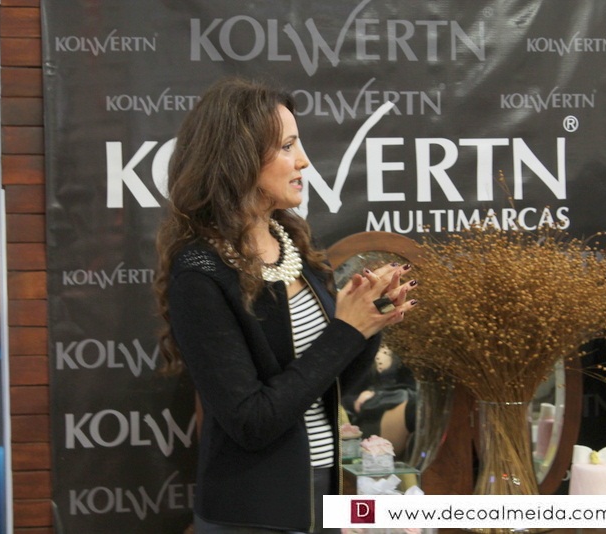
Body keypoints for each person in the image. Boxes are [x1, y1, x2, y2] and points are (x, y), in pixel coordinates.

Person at [154, 77, 418, 533]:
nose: (304, 161)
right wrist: (345, 332)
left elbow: (330, 385)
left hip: (323, 495)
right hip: (255, 516)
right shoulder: (200, 272)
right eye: (287, 146)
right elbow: (252, 421)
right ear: (238, 156)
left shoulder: (294, 246)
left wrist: (368, 323)